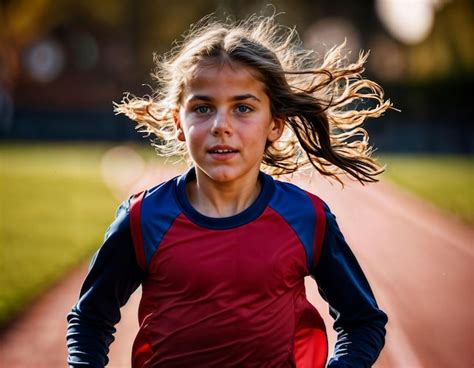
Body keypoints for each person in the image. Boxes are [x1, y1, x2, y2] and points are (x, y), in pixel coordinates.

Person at [67, 14, 390, 368]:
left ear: (275, 126)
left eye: (243, 108)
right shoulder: (144, 218)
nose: (222, 126)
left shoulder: (306, 217)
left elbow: (363, 321)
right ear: (179, 124)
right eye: (203, 108)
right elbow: (90, 320)